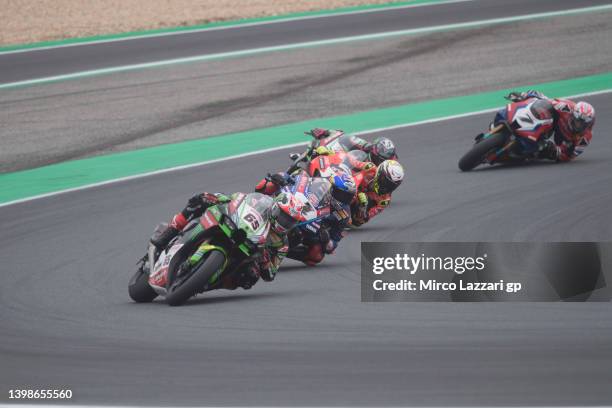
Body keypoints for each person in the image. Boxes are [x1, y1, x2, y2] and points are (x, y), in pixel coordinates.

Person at [151, 191, 301, 290]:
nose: (284, 222)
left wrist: (265, 260)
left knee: (250, 277)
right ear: (274, 209)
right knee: (200, 200)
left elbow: (270, 274)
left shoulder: (282, 244)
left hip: (246, 252)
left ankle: (204, 282)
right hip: (235, 226)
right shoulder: (260, 203)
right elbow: (239, 198)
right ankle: (170, 232)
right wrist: (220, 198)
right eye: (283, 216)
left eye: (290, 222)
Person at [255, 167, 357, 265]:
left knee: (316, 256)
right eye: (341, 194)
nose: (344, 199)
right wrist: (283, 178)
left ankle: (281, 252)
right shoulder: (320, 184)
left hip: (314, 230)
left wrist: (326, 240)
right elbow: (299, 180)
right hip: (302, 207)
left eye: (348, 197)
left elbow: (334, 243)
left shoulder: (344, 216)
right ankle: (253, 203)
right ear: (332, 188)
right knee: (268, 184)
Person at [506, 90, 595, 162]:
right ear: (572, 114)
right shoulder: (566, 107)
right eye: (576, 120)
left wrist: (557, 151)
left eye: (581, 123)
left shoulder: (585, 138)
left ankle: (530, 151)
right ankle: (521, 119)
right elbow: (547, 101)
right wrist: (526, 96)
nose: (577, 124)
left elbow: (570, 155)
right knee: (539, 102)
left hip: (562, 139)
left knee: (544, 152)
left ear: (588, 125)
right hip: (553, 123)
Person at [352, 159, 404, 227]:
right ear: (380, 173)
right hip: (348, 183)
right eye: (386, 182)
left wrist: (363, 207)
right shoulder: (370, 167)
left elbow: (365, 218)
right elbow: (350, 160)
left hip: (352, 207)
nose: (387, 187)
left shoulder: (385, 200)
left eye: (392, 185)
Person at [307, 128, 398, 165]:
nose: (381, 162)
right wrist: (327, 133)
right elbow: (348, 139)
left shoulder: (391, 164)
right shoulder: (366, 146)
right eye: (380, 160)